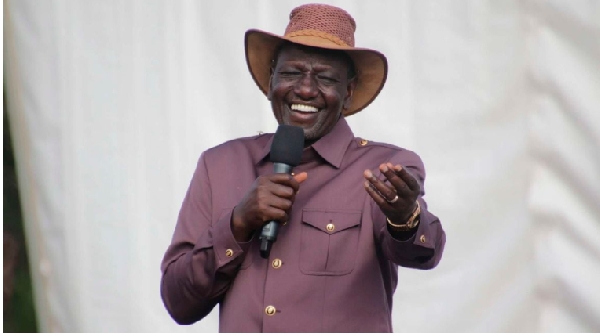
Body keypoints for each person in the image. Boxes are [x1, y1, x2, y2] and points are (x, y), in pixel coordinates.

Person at [160, 3, 446, 333]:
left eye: (324, 78)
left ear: (348, 93)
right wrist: (238, 224)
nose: (306, 89)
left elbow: (424, 253)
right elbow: (178, 303)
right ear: (271, 82)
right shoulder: (220, 165)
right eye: (292, 73)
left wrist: (405, 218)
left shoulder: (385, 169)